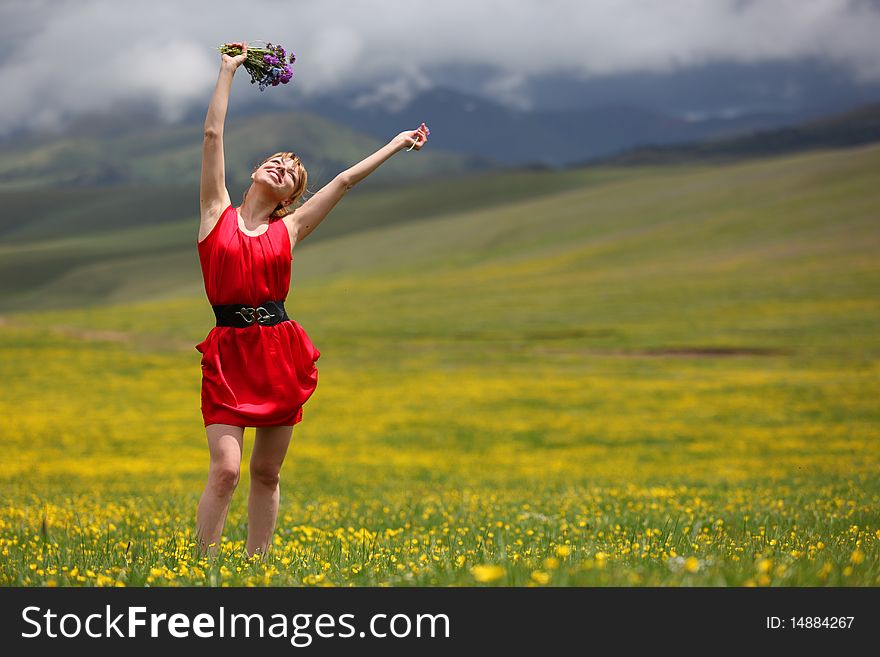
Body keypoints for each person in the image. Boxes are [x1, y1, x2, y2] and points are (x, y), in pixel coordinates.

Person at [195, 41, 429, 559]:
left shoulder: (292, 228)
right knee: (227, 469)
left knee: (266, 470)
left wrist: (396, 143)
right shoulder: (216, 212)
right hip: (229, 351)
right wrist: (228, 70)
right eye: (276, 162)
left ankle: (257, 565)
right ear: (257, 172)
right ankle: (201, 568)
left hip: (278, 350)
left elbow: (344, 181)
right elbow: (213, 135)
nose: (281, 167)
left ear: (290, 198)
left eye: (292, 174)